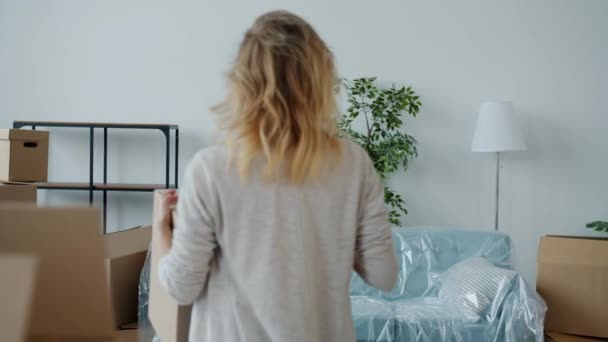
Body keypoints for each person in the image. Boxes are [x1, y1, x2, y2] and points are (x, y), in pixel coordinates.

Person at [153, 10, 398, 342]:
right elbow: (384, 275)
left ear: (243, 82)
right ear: (320, 80)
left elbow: (181, 288)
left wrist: (161, 228)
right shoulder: (354, 164)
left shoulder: (210, 169)